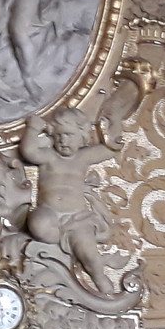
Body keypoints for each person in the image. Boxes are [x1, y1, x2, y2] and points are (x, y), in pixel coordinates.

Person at [21, 108, 115, 293]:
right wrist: (33, 129)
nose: (63, 141)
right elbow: (29, 152)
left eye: (69, 135)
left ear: (82, 137)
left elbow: (110, 149)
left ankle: (99, 278)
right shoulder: (49, 156)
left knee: (90, 255)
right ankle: (61, 248)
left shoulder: (83, 157)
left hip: (77, 218)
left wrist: (110, 126)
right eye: (59, 136)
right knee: (38, 224)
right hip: (50, 213)